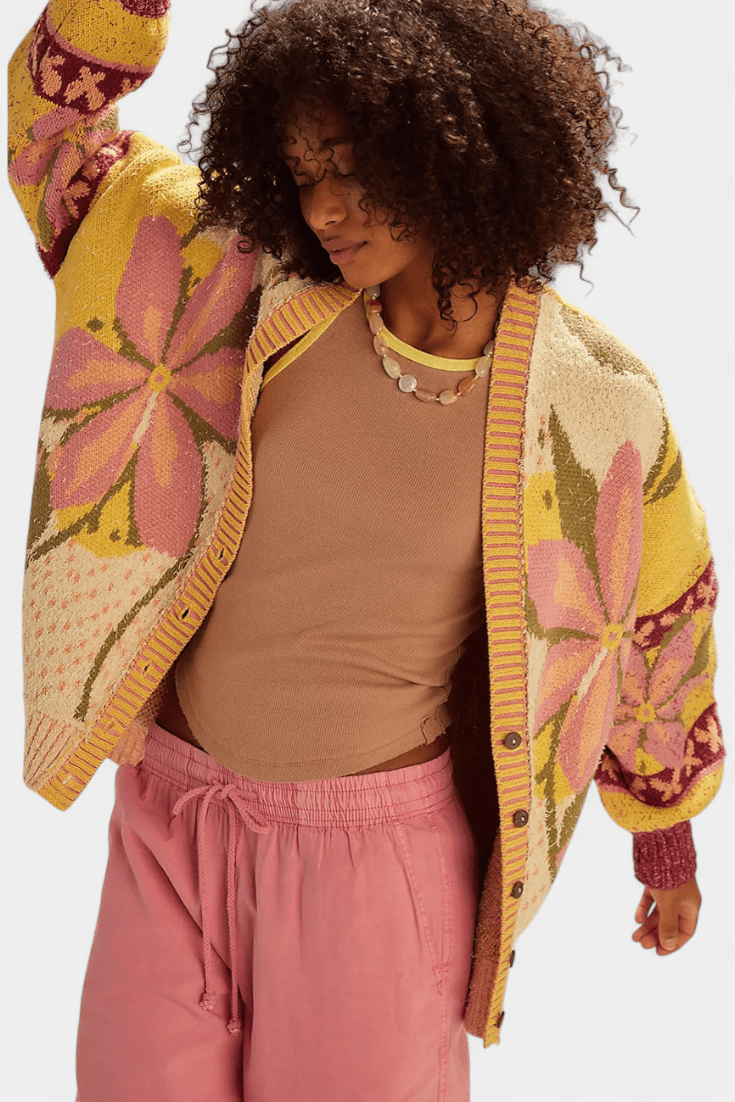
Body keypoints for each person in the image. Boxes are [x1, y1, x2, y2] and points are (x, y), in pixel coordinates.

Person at [7, 1, 725, 1099]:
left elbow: (653, 612)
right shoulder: (243, 281)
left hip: (369, 873)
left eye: (350, 167)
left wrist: (662, 833)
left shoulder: (590, 402)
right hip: (170, 819)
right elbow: (54, 143)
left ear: (453, 145)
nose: (323, 208)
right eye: (302, 174)